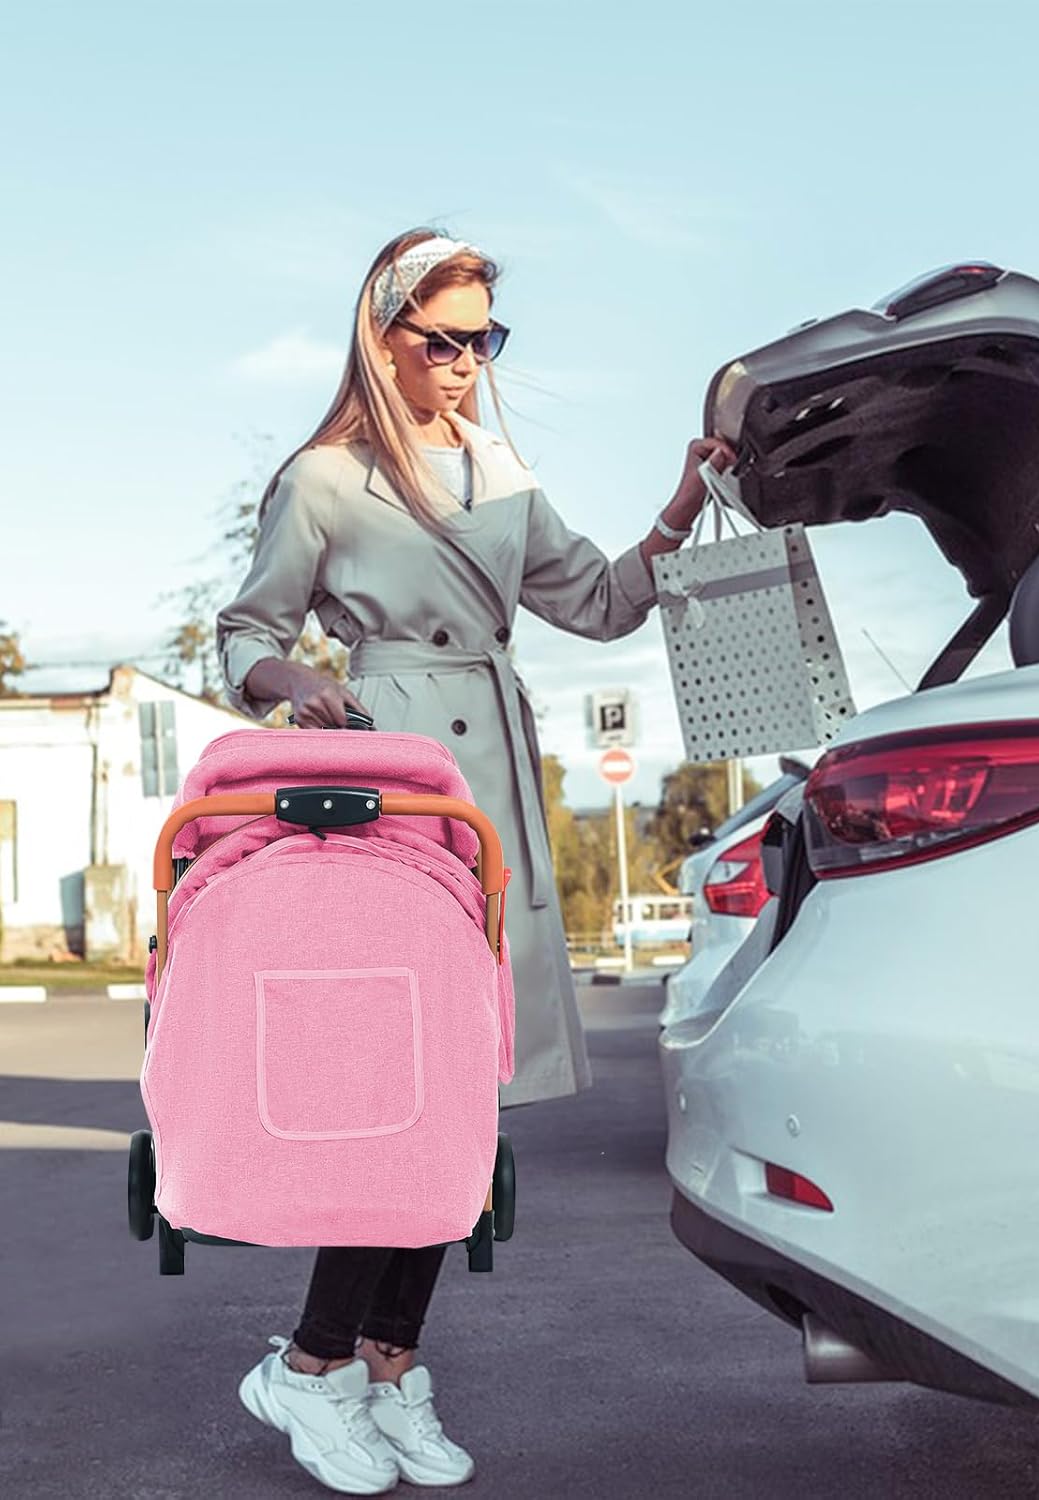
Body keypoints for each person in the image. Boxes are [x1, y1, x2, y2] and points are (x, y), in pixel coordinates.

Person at [221, 226, 736, 1495]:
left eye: (484, 340)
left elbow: (600, 602)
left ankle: (387, 1361)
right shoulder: (324, 478)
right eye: (444, 339)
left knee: (466, 1098)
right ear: (384, 334)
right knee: (405, 1084)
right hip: (394, 778)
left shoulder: (500, 470)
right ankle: (312, 1362)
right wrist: (297, 685)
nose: (466, 363)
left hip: (497, 776)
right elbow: (247, 631)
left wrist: (681, 505)